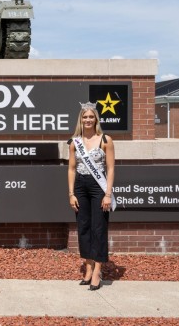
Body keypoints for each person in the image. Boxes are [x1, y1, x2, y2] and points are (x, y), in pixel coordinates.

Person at [67, 102, 115, 291]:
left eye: (91, 117)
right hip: (80, 186)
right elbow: (71, 169)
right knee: (84, 227)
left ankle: (97, 271)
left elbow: (110, 168)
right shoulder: (74, 142)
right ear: (81, 120)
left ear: (96, 119)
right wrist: (71, 193)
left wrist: (108, 194)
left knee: (99, 228)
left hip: (99, 187)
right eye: (85, 117)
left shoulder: (105, 140)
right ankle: (88, 266)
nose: (88, 120)